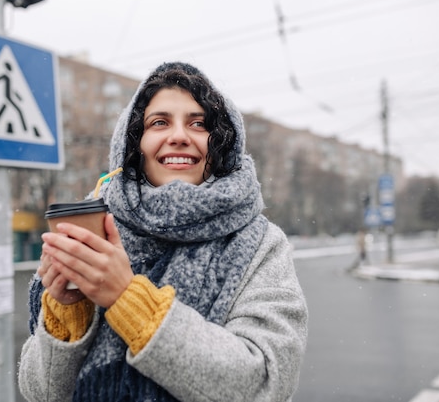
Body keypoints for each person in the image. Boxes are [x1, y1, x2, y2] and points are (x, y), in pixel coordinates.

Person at [18, 62, 309, 402]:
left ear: (221, 145)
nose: (179, 136)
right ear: (134, 145)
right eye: (159, 123)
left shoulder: (261, 244)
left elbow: (265, 383)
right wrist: (68, 313)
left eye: (199, 124)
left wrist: (126, 298)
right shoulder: (94, 232)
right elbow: (41, 392)